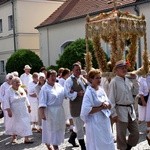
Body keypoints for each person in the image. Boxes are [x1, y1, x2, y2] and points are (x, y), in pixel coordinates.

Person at [80, 69, 115, 150]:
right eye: (97, 78)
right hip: (94, 122)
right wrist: (100, 107)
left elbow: (109, 102)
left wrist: (107, 105)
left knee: (107, 140)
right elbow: (86, 110)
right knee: (97, 143)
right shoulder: (89, 92)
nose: (99, 80)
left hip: (104, 120)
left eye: (100, 78)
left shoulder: (101, 90)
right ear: (91, 79)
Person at [108, 60, 139, 150]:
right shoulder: (114, 82)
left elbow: (136, 92)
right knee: (121, 135)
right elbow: (111, 99)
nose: (124, 69)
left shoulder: (128, 80)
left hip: (130, 110)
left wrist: (135, 80)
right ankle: (123, 148)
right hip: (120, 111)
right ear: (116, 70)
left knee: (135, 133)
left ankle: (127, 148)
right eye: (122, 68)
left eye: (125, 67)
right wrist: (114, 114)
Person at [39, 70, 65, 150]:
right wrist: (42, 114)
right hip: (50, 111)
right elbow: (42, 102)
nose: (54, 78)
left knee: (59, 128)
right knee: (51, 129)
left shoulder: (59, 86)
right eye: (52, 76)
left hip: (59, 110)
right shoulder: (45, 88)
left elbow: (65, 93)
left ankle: (52, 143)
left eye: (55, 75)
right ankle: (55, 146)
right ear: (47, 77)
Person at [64, 62, 88, 150]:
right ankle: (83, 147)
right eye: (76, 70)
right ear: (72, 71)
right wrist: (77, 93)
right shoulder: (69, 80)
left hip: (84, 105)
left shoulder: (82, 79)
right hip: (76, 107)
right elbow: (66, 93)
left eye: (80, 69)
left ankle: (71, 138)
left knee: (81, 125)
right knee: (80, 128)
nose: (78, 71)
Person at [3, 77, 33, 144]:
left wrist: (29, 106)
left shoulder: (21, 89)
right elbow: (6, 101)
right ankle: (14, 138)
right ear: (11, 83)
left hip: (23, 109)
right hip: (14, 110)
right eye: (15, 82)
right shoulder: (8, 91)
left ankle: (26, 138)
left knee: (25, 122)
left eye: (18, 82)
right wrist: (8, 110)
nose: (17, 83)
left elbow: (26, 98)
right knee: (14, 123)